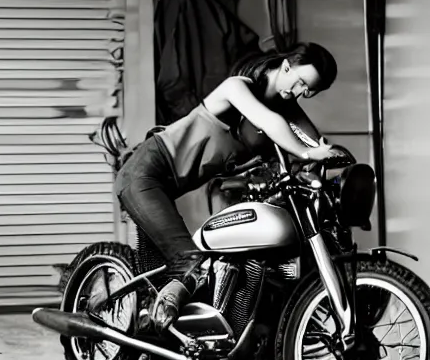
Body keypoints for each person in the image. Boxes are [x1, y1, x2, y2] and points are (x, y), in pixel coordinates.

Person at [116, 44, 341, 331]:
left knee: (172, 270)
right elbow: (271, 124)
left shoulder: (286, 109)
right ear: (285, 66)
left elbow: (314, 142)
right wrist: (308, 153)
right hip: (145, 172)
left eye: (309, 91)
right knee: (189, 262)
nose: (300, 93)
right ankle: (158, 322)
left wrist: (330, 159)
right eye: (300, 82)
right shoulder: (237, 88)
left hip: (166, 187)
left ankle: (166, 323)